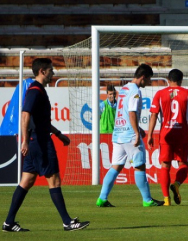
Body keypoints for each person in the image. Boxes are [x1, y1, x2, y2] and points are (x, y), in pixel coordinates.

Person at [2, 58, 90, 232]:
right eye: (51, 70)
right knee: (54, 180)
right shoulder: (35, 91)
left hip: (36, 140)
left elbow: (40, 120)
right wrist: (25, 140)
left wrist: (58, 134)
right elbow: (25, 115)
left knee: (26, 181)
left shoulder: (38, 90)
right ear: (42, 71)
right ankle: (67, 222)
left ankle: (9, 222)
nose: (53, 73)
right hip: (39, 142)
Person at [96, 64, 164, 208]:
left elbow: (125, 112)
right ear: (143, 77)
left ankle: (102, 198)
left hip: (118, 134)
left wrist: (138, 127)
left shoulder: (124, 89)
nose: (150, 82)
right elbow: (132, 112)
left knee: (116, 166)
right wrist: (136, 132)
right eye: (149, 79)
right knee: (140, 166)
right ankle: (147, 200)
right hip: (129, 135)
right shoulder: (135, 91)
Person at [147, 69, 188, 206]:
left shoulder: (160, 94)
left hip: (166, 134)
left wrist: (150, 135)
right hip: (182, 133)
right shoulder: (187, 93)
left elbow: (153, 115)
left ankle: (166, 200)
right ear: (181, 80)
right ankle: (176, 184)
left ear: (168, 80)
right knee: (183, 164)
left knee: (165, 165)